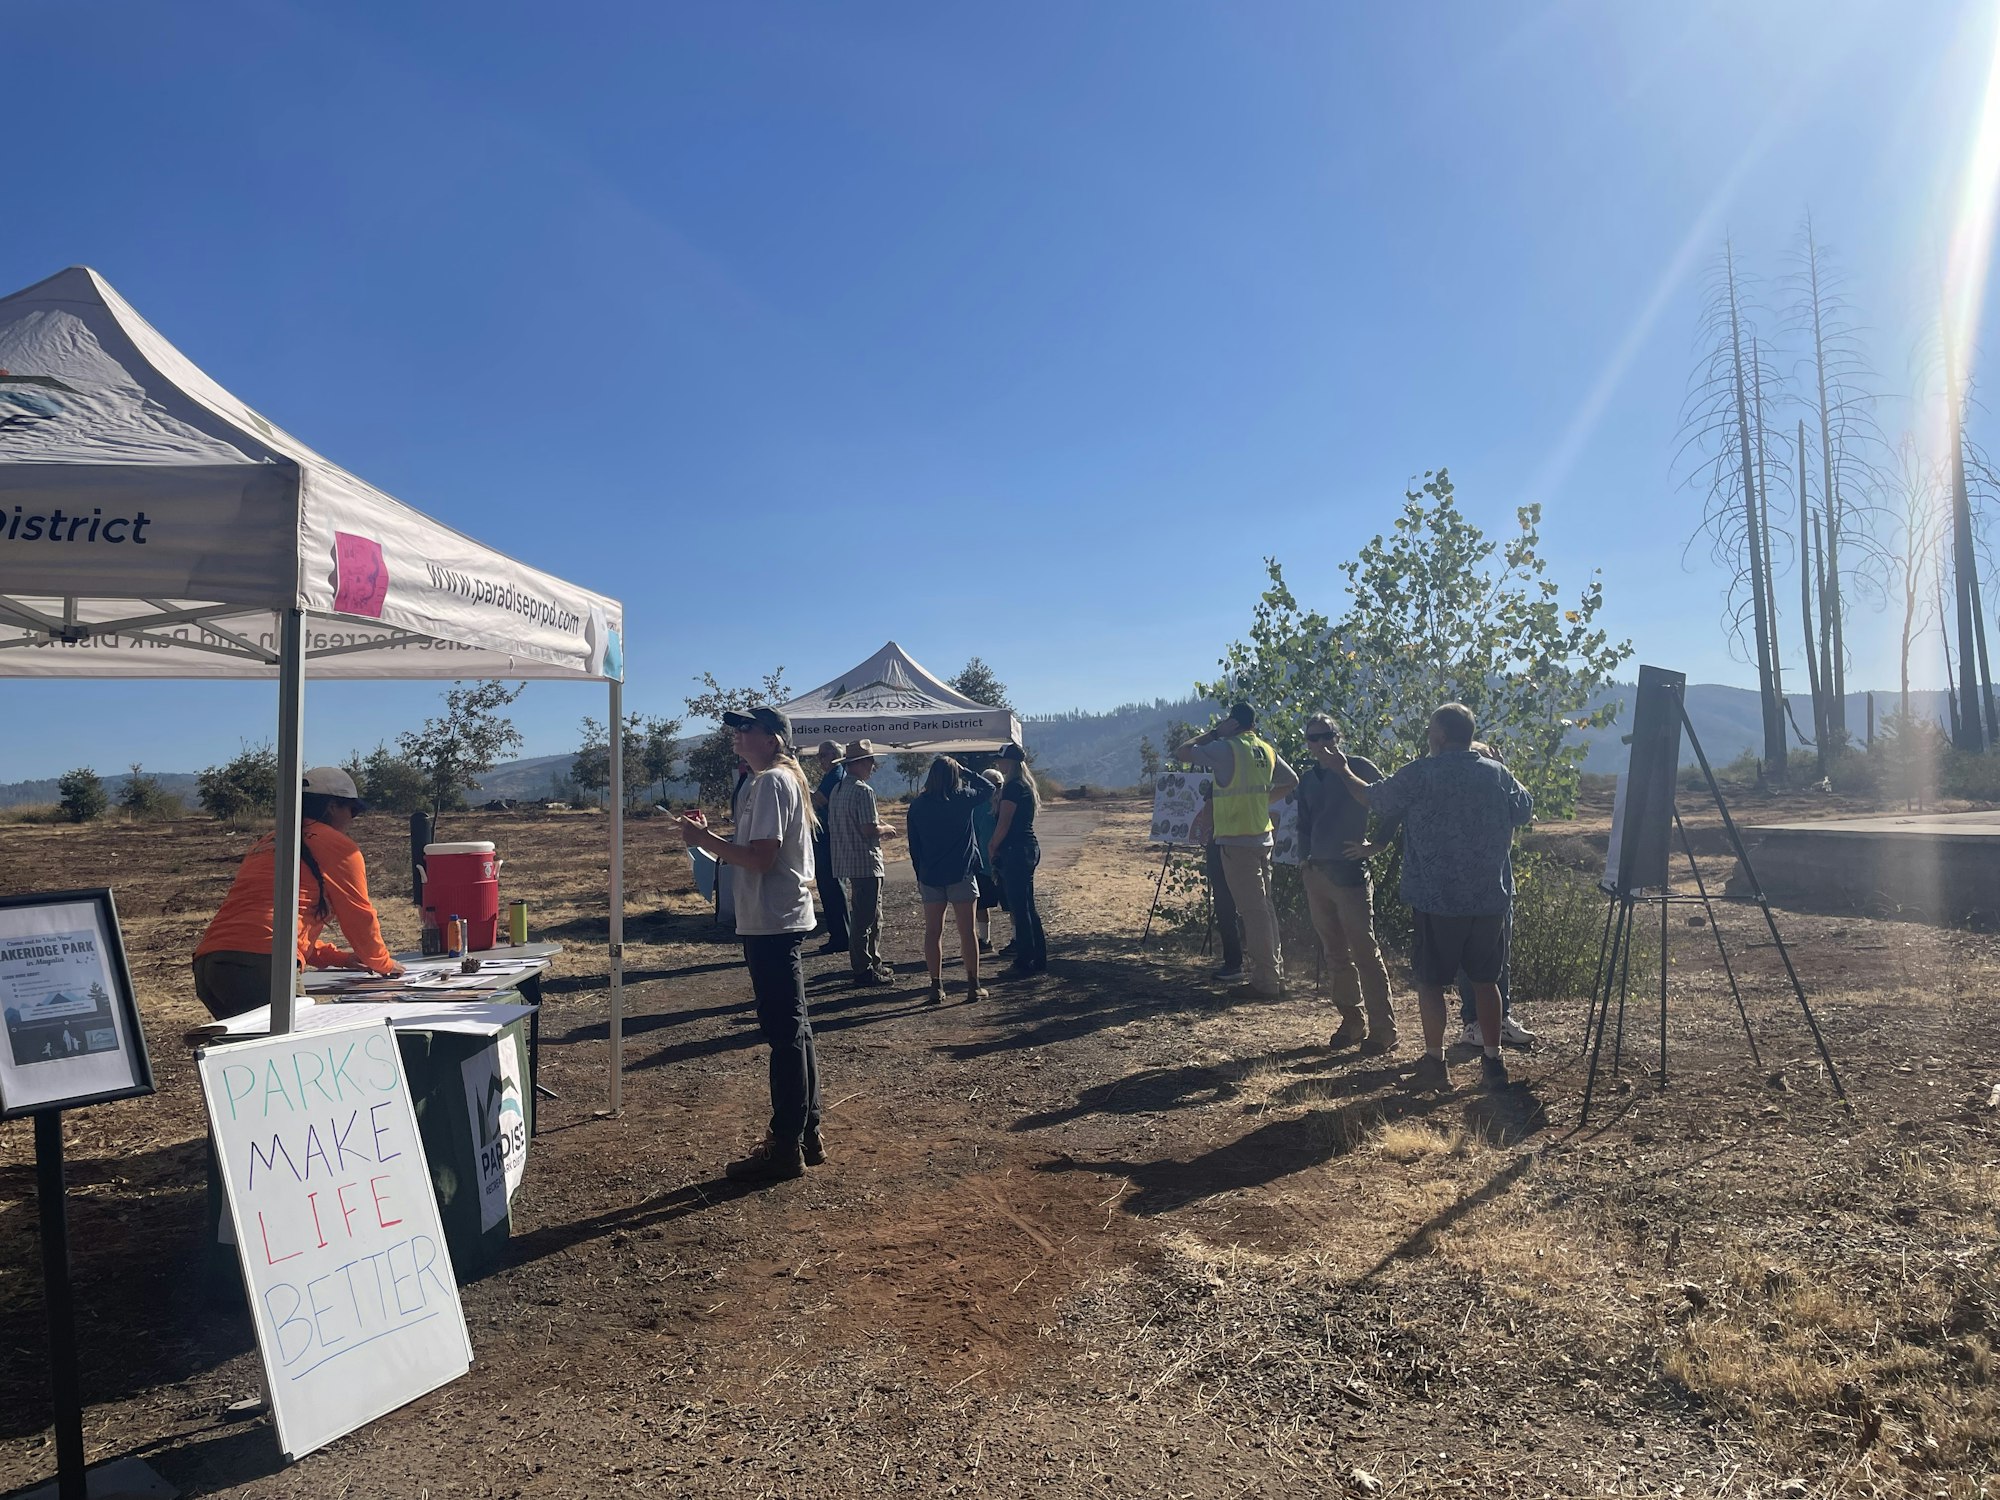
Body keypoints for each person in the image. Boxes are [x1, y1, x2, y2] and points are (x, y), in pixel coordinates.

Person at [1326, 703, 1533, 1092]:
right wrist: (1505, 768)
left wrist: (1342, 770)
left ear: (1440, 735)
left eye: (1430, 730)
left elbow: (1373, 798)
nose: (1427, 735)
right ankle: (1493, 1062)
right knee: (1486, 982)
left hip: (1437, 900)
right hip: (1488, 899)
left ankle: (1435, 1063)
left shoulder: (1421, 773)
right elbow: (1524, 810)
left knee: (1431, 984)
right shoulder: (1497, 774)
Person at [676, 705, 825, 1182]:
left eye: (747, 728)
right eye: (736, 729)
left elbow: (761, 859)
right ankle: (806, 1134)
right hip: (777, 916)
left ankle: (785, 1146)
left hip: (771, 919)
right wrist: (710, 837)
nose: (737, 735)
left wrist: (705, 841)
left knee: (785, 1034)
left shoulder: (771, 783)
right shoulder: (775, 781)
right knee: (795, 1029)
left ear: (772, 739)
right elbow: (758, 852)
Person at [192, 766, 405, 1019]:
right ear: (332, 807)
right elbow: (358, 916)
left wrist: (338, 958)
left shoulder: (270, 840)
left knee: (255, 1044)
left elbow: (268, 923)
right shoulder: (339, 847)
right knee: (296, 1042)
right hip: (265, 964)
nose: (353, 819)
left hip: (210, 965)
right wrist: (382, 963)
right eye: (353, 810)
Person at [1172, 704, 1298, 998]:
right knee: (1265, 908)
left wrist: (1214, 733)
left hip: (1236, 841)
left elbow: (1183, 751)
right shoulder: (1265, 749)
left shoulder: (1225, 747)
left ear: (1232, 722)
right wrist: (1262, 803)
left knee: (1254, 912)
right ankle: (1275, 975)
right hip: (1262, 837)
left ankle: (1265, 981)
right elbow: (1292, 780)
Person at [1295, 714, 1398, 1052]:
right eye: (1313, 738)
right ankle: (1352, 1021)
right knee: (1335, 953)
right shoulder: (1308, 780)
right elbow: (1303, 823)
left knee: (1365, 951)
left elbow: (1392, 805)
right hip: (1317, 875)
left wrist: (1377, 845)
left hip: (1351, 876)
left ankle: (1383, 1030)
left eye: (1326, 735)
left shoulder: (1360, 767)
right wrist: (1304, 860)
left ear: (1337, 736)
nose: (1320, 743)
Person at [906, 756, 996, 1004]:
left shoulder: (918, 805)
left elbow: (914, 846)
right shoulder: (963, 798)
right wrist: (966, 771)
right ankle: (973, 984)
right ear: (954, 775)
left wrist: (920, 874)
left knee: (933, 931)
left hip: (931, 875)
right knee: (967, 931)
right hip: (961, 873)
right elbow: (989, 788)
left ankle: (936, 985)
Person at [829, 739, 899, 986]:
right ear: (860, 763)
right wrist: (887, 828)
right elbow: (868, 829)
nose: (872, 766)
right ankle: (863, 968)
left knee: (870, 915)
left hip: (847, 859)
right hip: (865, 861)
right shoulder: (863, 791)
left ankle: (873, 962)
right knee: (865, 919)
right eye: (870, 761)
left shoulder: (837, 790)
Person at [988, 743, 1047, 976]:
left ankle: (1025, 961)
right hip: (1026, 849)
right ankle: (1037, 958)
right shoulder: (1024, 786)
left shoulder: (1012, 788)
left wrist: (993, 846)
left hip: (1015, 851)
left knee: (1019, 908)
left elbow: (1004, 822)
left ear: (1009, 762)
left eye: (1000, 760)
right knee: (1027, 906)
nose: (997, 763)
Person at [1188, 788, 1244, 981]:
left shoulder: (1221, 778)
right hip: (1251, 844)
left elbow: (1209, 809)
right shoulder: (1255, 776)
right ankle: (1266, 966)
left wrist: (1206, 832)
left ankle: (1233, 963)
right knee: (1256, 907)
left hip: (1221, 844)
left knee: (1225, 906)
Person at [809, 741, 850, 957]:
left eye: (822, 755)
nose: (819, 760)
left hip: (829, 841)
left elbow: (819, 800)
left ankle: (841, 937)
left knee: (832, 888)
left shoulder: (835, 774)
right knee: (830, 888)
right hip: (828, 839)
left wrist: (802, 787)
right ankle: (839, 935)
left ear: (834, 755)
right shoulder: (833, 775)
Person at [971, 767, 1007, 952]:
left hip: (989, 863)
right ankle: (1012, 937)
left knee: (982, 904)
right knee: (1007, 903)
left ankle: (986, 939)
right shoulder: (1004, 805)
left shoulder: (979, 807)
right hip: (998, 862)